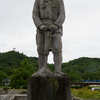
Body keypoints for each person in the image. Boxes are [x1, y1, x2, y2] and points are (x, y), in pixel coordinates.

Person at [32, 0, 66, 75]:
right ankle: (41, 70)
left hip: (56, 28)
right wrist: (40, 25)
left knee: (57, 48)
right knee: (41, 49)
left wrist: (56, 25)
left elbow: (62, 14)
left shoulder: (59, 1)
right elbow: (35, 14)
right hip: (41, 28)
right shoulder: (38, 1)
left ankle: (58, 70)